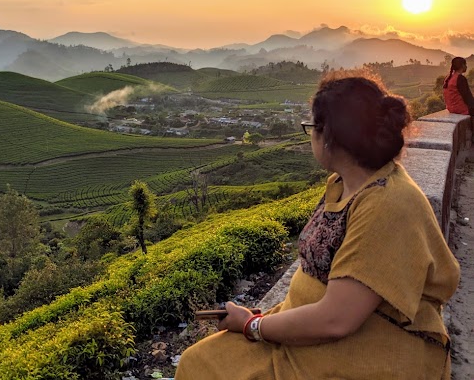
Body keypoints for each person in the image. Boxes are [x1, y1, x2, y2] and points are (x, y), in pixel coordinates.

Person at [175, 72, 460, 380]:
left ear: (331, 136)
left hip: (365, 351)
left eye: (311, 127)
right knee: (201, 360)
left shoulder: (388, 205)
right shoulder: (344, 184)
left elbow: (337, 320)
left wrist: (251, 325)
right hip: (322, 337)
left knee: (202, 366)